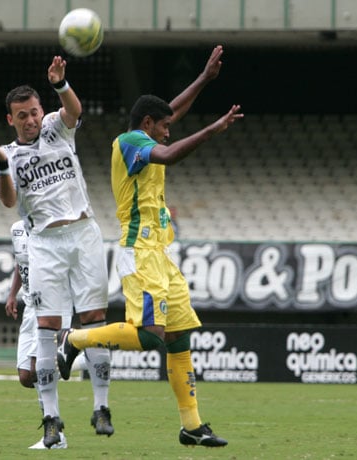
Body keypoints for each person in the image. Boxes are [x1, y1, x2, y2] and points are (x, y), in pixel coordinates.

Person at [56, 45, 243, 448]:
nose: (168, 130)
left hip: (160, 253)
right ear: (146, 124)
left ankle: (191, 426)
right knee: (152, 335)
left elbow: (169, 114)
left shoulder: (144, 131)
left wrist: (204, 79)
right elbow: (172, 155)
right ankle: (73, 339)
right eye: (163, 126)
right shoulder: (128, 142)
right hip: (138, 253)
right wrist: (213, 128)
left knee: (178, 340)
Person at [0, 55, 113, 449]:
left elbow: (74, 110)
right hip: (45, 243)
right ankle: (52, 420)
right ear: (10, 120)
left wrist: (60, 84)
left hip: (84, 230)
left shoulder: (57, 128)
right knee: (47, 328)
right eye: (22, 116)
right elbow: (7, 201)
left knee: (94, 320)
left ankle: (101, 407)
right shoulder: (8, 155)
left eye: (34, 112)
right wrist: (2, 165)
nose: (31, 120)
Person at [4, 219, 92, 450]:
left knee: (38, 369)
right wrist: (12, 293)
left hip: (54, 304)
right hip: (30, 306)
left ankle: (54, 435)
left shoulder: (53, 228)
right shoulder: (16, 228)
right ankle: (82, 359)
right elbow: (19, 262)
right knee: (26, 377)